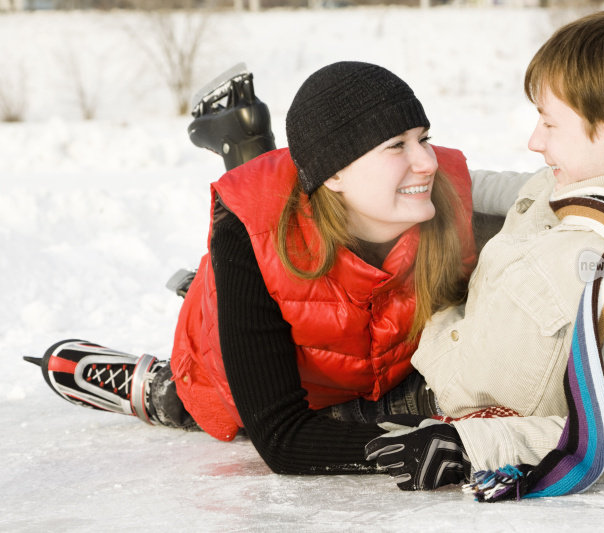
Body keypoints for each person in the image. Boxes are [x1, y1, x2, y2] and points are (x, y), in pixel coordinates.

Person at [25, 61, 525, 475]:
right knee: (209, 397)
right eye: (397, 146)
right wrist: (424, 447)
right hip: (245, 369)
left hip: (367, 368)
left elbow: (549, 199)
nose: (427, 161)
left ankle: (244, 145)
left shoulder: (441, 202)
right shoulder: (249, 237)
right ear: (334, 174)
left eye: (424, 138)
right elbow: (282, 438)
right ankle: (157, 388)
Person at [366, 11, 604, 499]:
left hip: (447, 394)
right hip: (458, 332)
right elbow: (527, 195)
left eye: (549, 123)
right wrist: (427, 180)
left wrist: (475, 444)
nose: (535, 141)